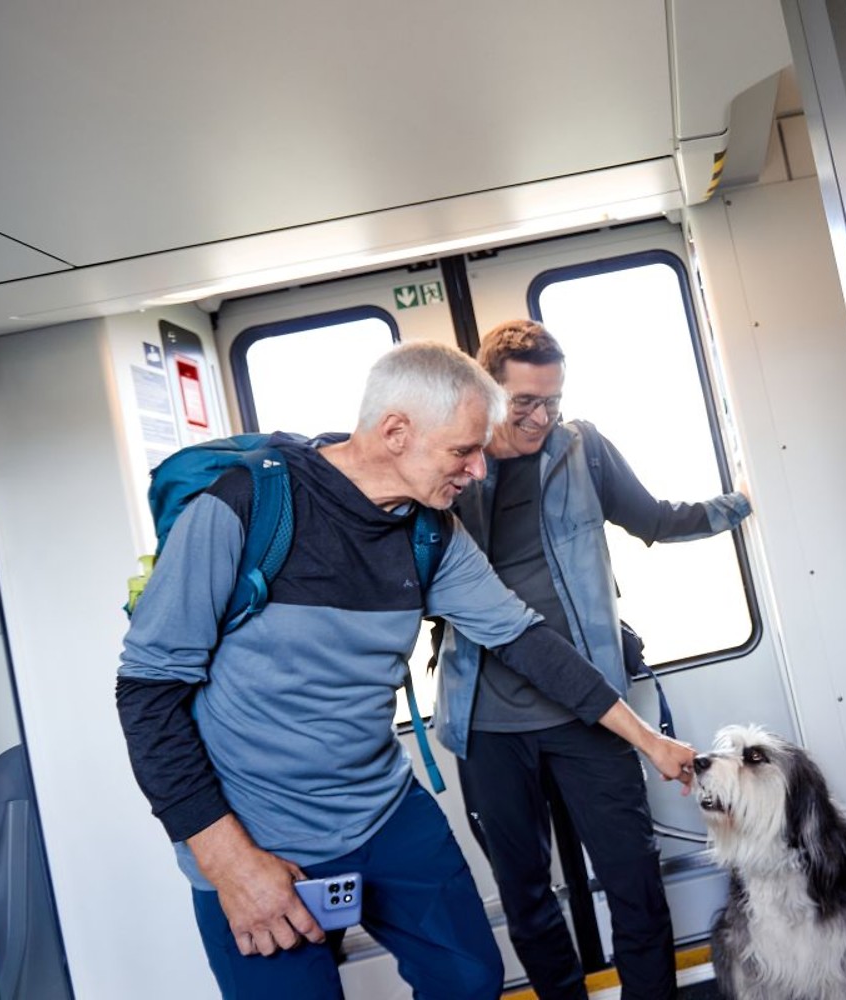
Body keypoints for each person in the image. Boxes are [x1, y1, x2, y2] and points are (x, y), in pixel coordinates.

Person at [115, 341, 695, 1000]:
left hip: (383, 814)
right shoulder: (242, 508)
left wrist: (649, 741)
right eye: (463, 451)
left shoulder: (431, 534)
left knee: (472, 981)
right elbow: (146, 694)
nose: (479, 470)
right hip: (254, 837)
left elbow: (524, 639)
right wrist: (227, 863)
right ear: (396, 433)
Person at [435, 319, 752, 1000]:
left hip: (591, 711)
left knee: (635, 884)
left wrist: (742, 504)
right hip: (488, 722)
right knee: (527, 900)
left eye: (553, 400)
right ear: (486, 392)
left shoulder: (584, 449)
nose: (542, 418)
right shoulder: (449, 464)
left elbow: (656, 519)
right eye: (524, 403)